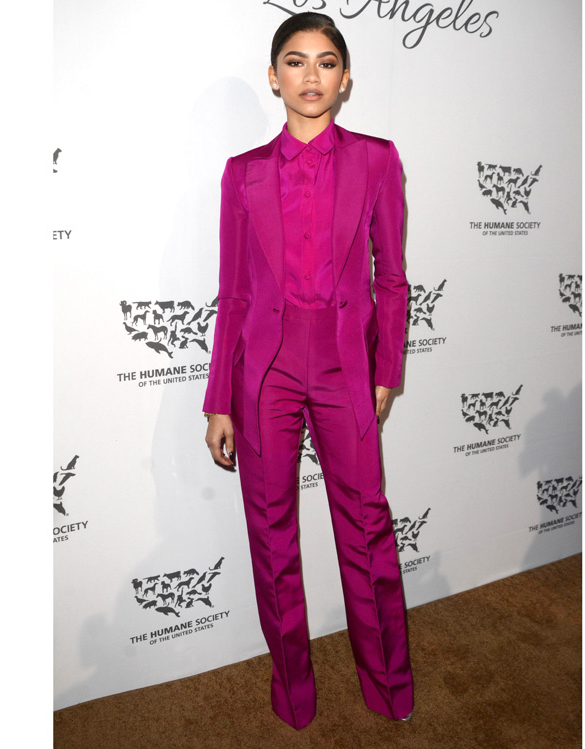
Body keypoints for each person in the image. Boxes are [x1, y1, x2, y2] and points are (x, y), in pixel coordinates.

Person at [202, 12, 413, 730]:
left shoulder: (377, 160)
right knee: (270, 533)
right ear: (274, 77)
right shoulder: (243, 173)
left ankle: (388, 683)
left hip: (345, 363)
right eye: (296, 62)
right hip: (266, 370)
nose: (311, 75)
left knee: (366, 524)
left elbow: (392, 276)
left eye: (326, 62)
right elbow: (233, 292)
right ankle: (293, 689)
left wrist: (386, 369)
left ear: (345, 78)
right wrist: (219, 399)